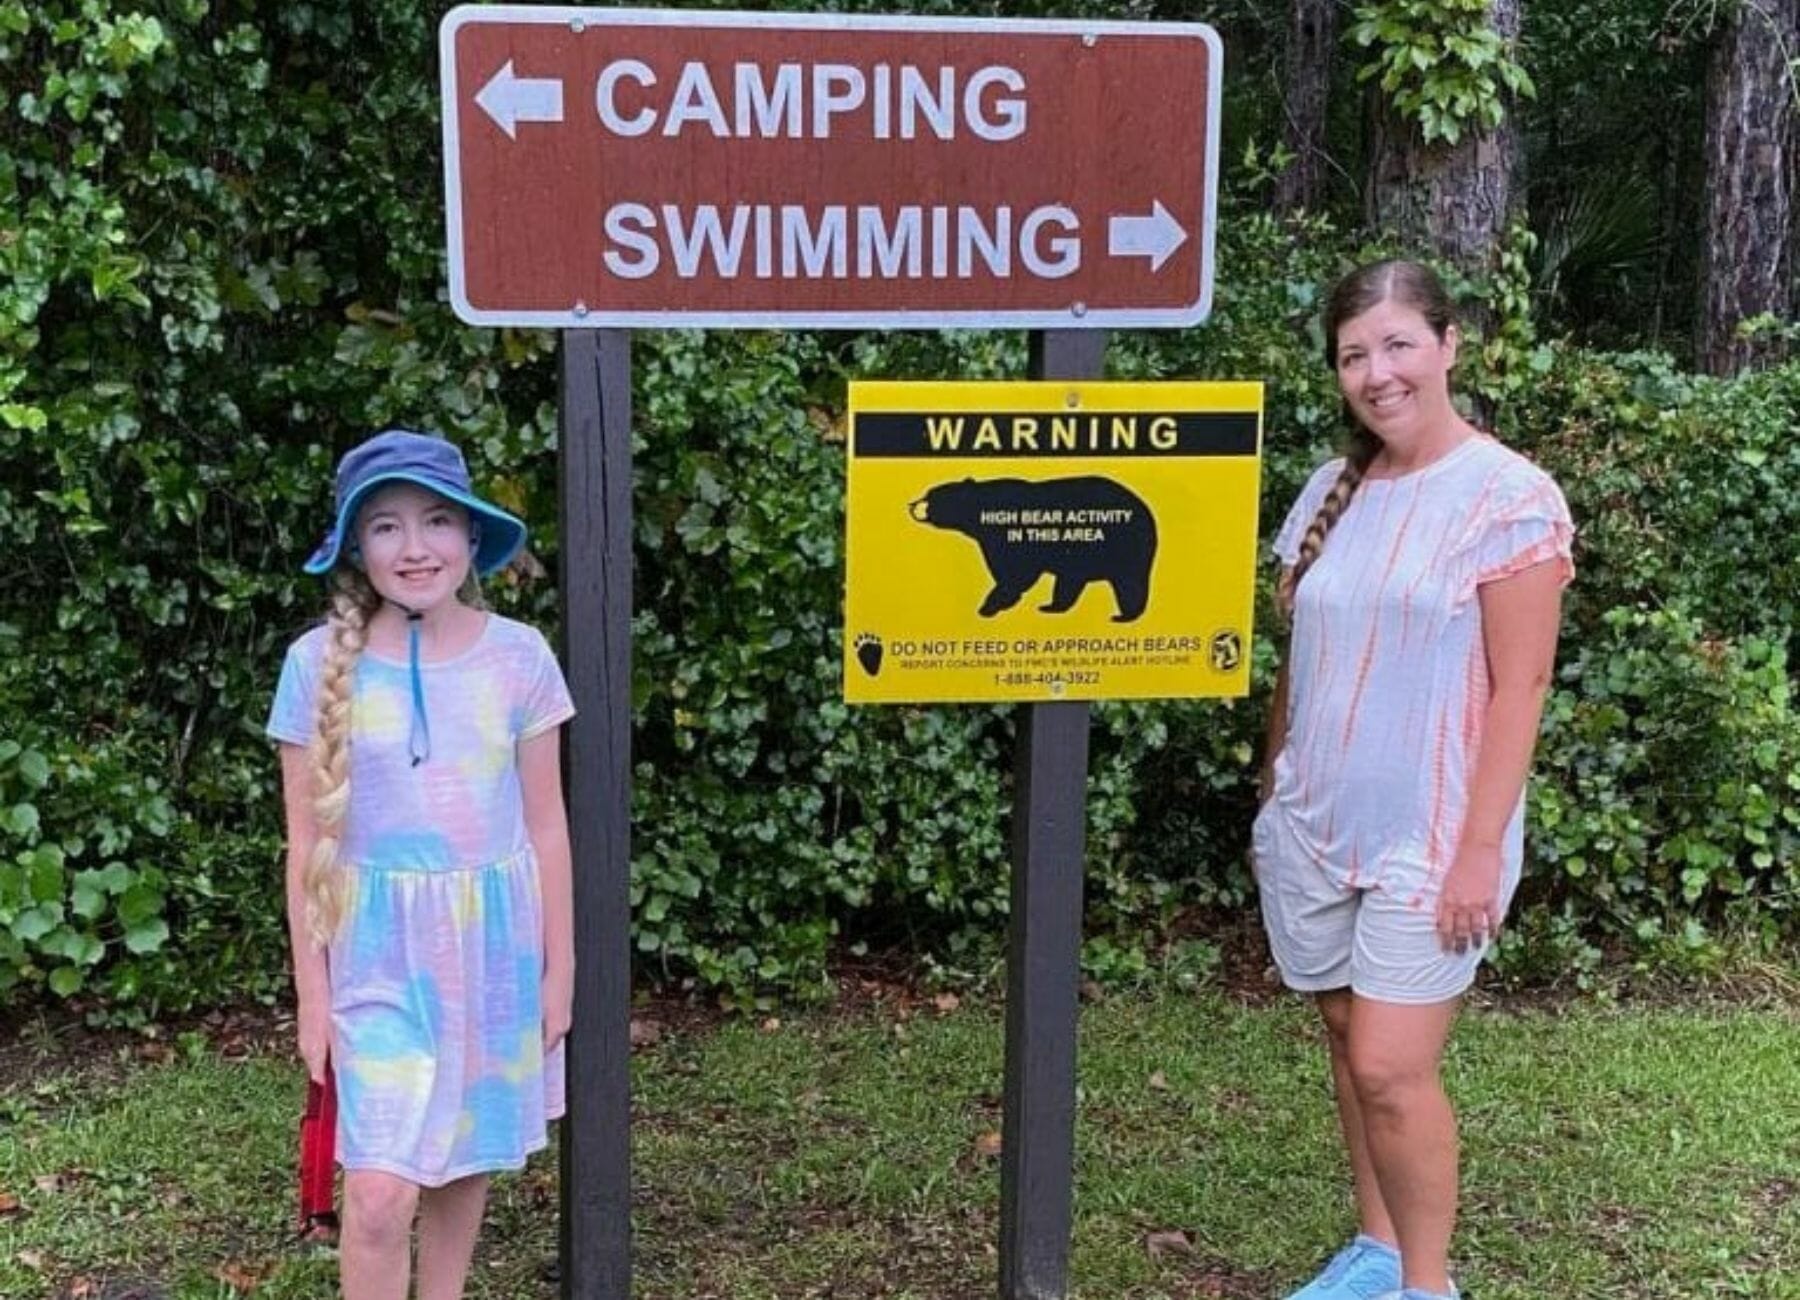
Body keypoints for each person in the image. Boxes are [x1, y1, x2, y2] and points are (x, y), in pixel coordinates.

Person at [1255, 260, 1573, 1300]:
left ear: (1448, 345)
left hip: (1431, 835)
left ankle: (1427, 1288)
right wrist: (1273, 791)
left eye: (1398, 345)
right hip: (1315, 822)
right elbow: (1300, 659)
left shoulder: (1508, 496)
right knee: (1349, 1039)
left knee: (1393, 1065)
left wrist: (1480, 850)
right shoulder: (1329, 492)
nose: (1377, 372)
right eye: (1355, 354)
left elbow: (1521, 688)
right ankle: (1377, 1249)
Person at [267, 429, 576, 1300]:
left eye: (437, 521)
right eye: (386, 526)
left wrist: (563, 971)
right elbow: (305, 846)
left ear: (471, 539)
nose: (414, 548)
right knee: (375, 1191)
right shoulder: (312, 666)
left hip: (492, 949)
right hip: (372, 953)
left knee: (460, 1155)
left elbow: (547, 824)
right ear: (354, 549)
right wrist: (312, 996)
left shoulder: (519, 658)